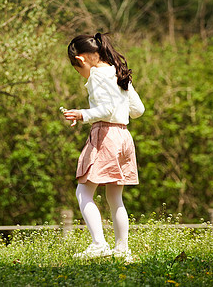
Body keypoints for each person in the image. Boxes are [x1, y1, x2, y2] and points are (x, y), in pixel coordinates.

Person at [63, 33, 145, 262]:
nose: (80, 74)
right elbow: (138, 110)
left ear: (81, 60)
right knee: (114, 197)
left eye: (77, 68)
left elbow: (107, 110)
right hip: (123, 136)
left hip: (106, 134)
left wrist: (82, 114)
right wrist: (120, 103)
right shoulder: (118, 72)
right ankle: (122, 250)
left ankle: (99, 243)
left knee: (84, 191)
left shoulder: (97, 75)